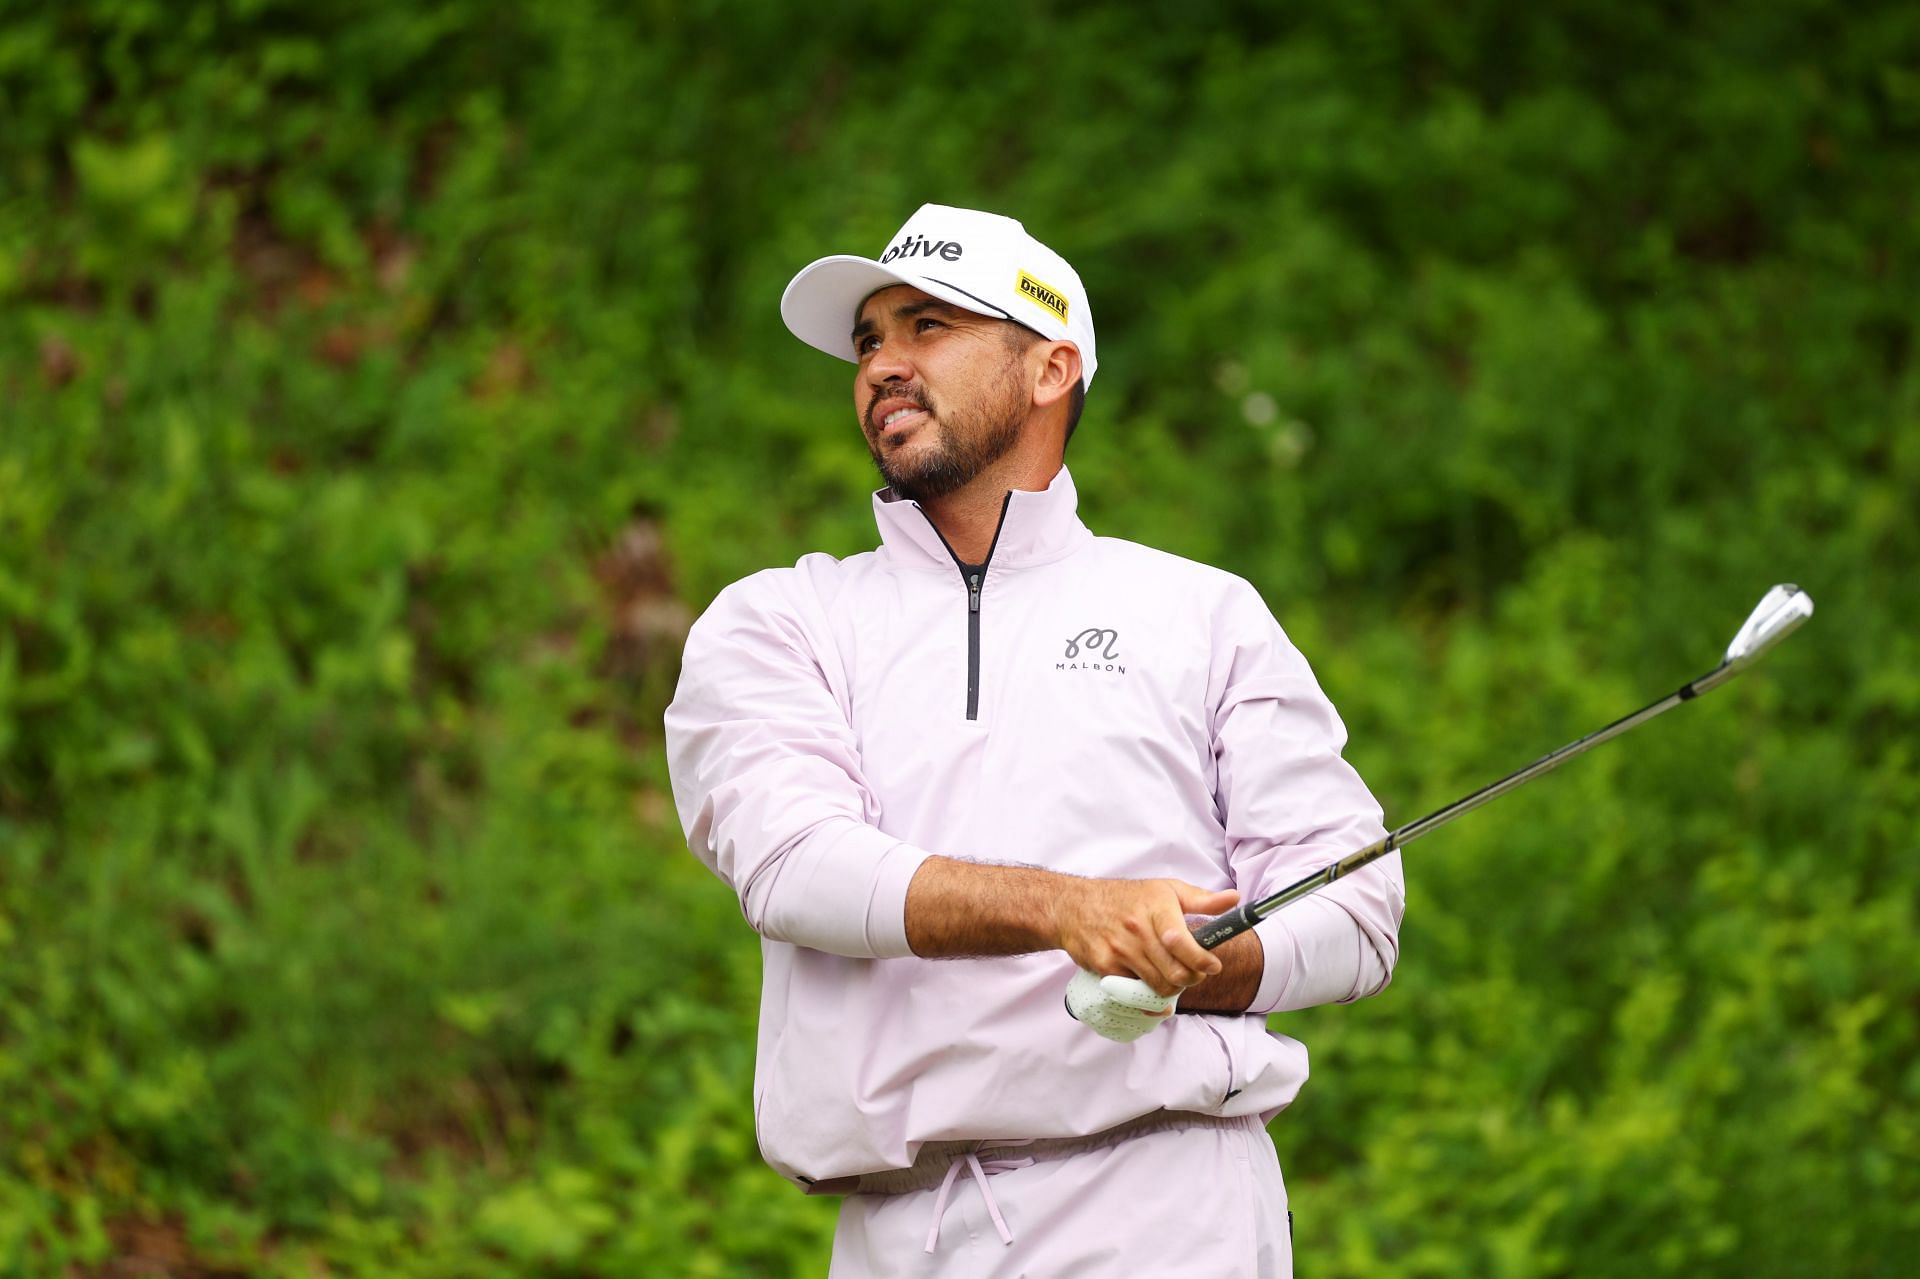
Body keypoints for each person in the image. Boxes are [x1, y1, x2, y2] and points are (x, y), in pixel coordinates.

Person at [664, 204, 1404, 1277]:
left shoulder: (1204, 614)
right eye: (869, 340)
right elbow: (793, 867)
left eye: (928, 327)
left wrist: (1194, 968)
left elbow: (1359, 911)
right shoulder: (777, 619)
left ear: (1052, 367)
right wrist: (1075, 911)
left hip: (1164, 1210)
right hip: (891, 1232)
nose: (883, 365)